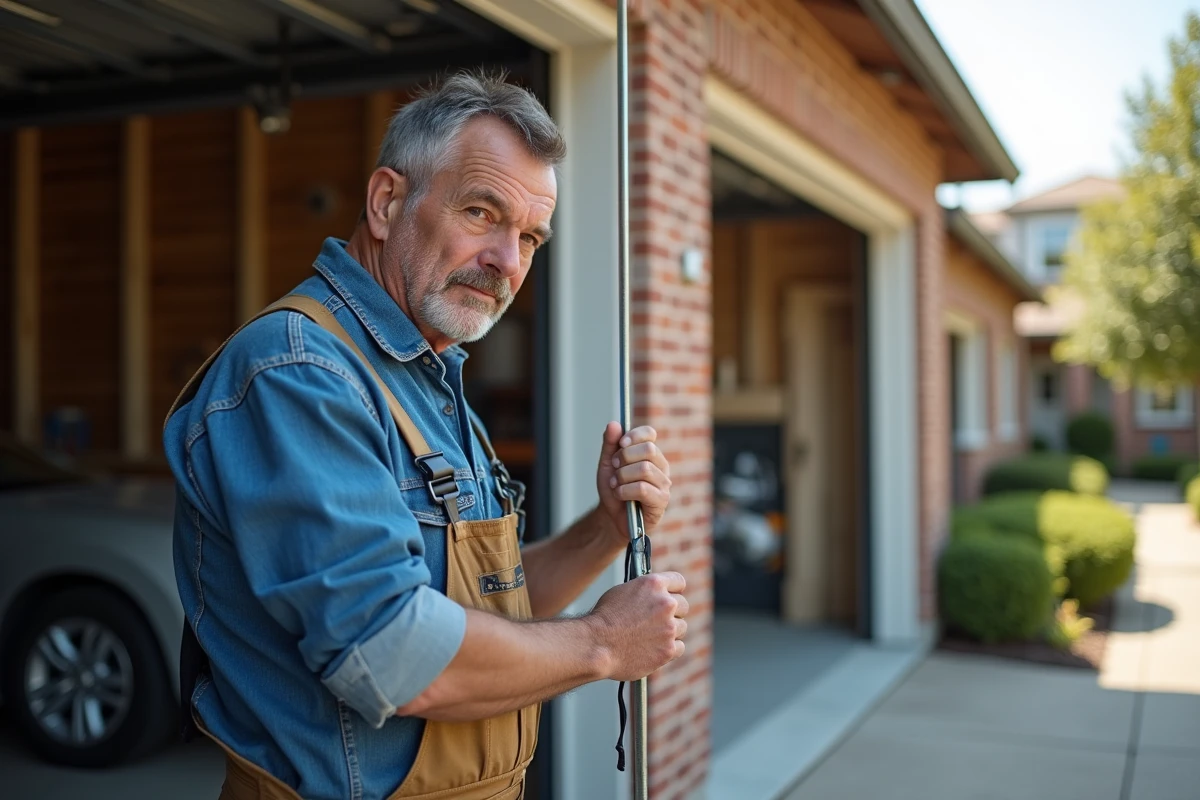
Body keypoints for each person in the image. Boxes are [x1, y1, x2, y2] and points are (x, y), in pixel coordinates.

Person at [162, 71, 689, 800]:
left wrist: (602, 531)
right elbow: (393, 653)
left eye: (530, 236)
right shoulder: (298, 371)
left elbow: (484, 614)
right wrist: (603, 642)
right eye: (482, 212)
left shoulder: (427, 373)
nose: (508, 261)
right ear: (386, 202)